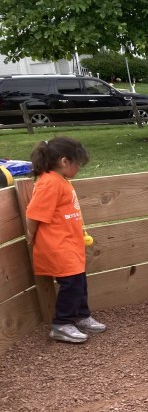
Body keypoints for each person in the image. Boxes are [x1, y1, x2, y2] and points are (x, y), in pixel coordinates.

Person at [25, 137, 106, 344]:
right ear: (64, 162)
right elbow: (33, 215)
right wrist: (31, 236)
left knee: (79, 282)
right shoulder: (49, 182)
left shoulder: (60, 180)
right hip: (58, 246)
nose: (79, 168)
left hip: (70, 243)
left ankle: (81, 315)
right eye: (78, 163)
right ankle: (61, 324)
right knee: (71, 285)